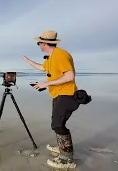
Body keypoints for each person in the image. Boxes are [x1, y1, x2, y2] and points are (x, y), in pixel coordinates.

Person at [23, 30, 80, 169]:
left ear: (44, 43)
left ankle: (67, 159)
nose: (39, 45)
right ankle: (61, 147)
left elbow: (69, 76)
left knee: (57, 125)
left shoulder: (60, 55)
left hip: (66, 95)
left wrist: (45, 84)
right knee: (58, 123)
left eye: (39, 43)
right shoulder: (52, 57)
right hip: (58, 94)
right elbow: (42, 68)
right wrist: (28, 61)